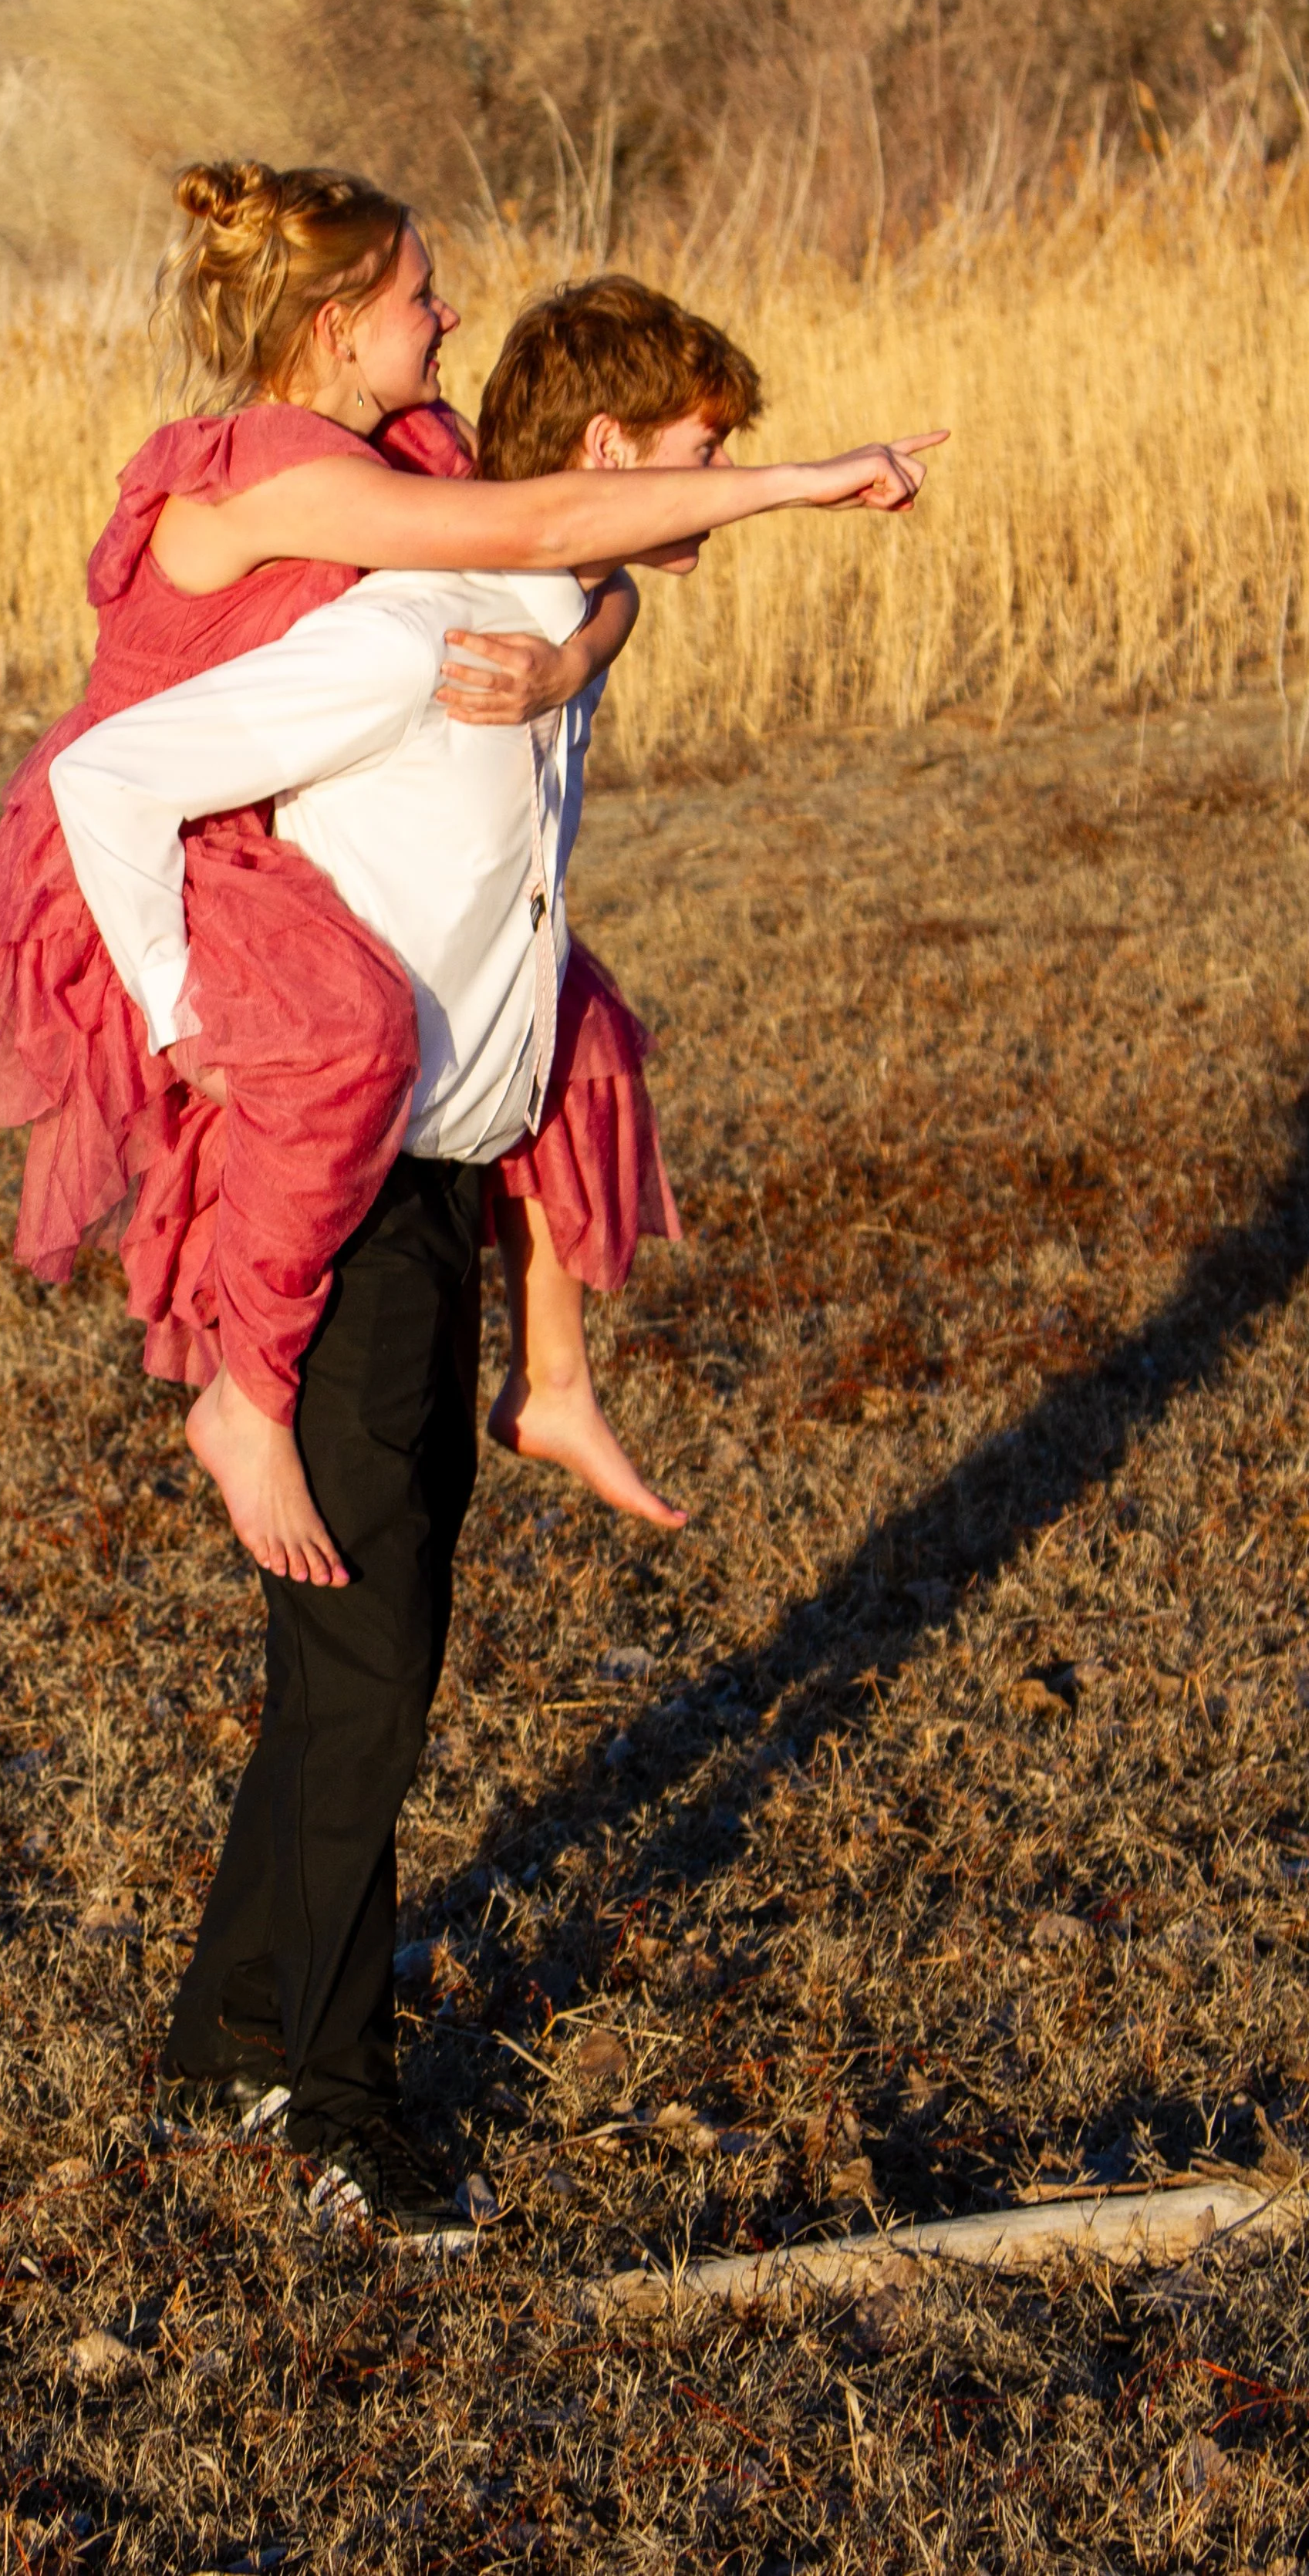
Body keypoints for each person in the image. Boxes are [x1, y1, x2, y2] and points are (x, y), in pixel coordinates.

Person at [47, 280, 940, 2244]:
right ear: (608, 456)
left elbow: (592, 579)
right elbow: (107, 780)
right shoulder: (408, 632)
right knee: (367, 1664)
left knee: (361, 1642)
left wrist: (581, 646)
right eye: (698, 452)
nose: (712, 480)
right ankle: (328, 2102)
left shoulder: (549, 623)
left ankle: (225, 2043)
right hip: (342, 1195)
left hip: (439, 1183)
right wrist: (187, 1018)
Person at [0, 161, 935, 1590]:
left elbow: (584, 564)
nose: (449, 313)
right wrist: (807, 480)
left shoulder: (410, 446)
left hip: (262, 793)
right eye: (420, 294)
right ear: (339, 324)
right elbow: (546, 530)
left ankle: (554, 1375)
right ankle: (248, 1400)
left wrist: (569, 663)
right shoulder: (266, 474)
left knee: (560, 997)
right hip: (178, 833)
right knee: (348, 1033)